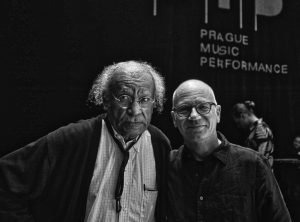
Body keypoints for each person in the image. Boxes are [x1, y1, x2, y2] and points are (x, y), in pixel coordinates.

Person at [0, 60, 171, 222]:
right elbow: (5, 179)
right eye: (124, 97)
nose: (135, 110)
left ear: (154, 103)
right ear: (105, 100)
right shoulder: (73, 139)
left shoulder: (159, 144)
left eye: (144, 99)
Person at [167, 79, 291, 222]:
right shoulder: (165, 165)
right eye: (184, 109)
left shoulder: (254, 165)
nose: (194, 115)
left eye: (203, 107)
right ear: (174, 119)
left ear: (218, 113)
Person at [232, 100, 274, 168]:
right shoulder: (255, 129)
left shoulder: (260, 129)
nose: (238, 126)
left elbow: (262, 159)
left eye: (238, 123)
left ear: (243, 116)